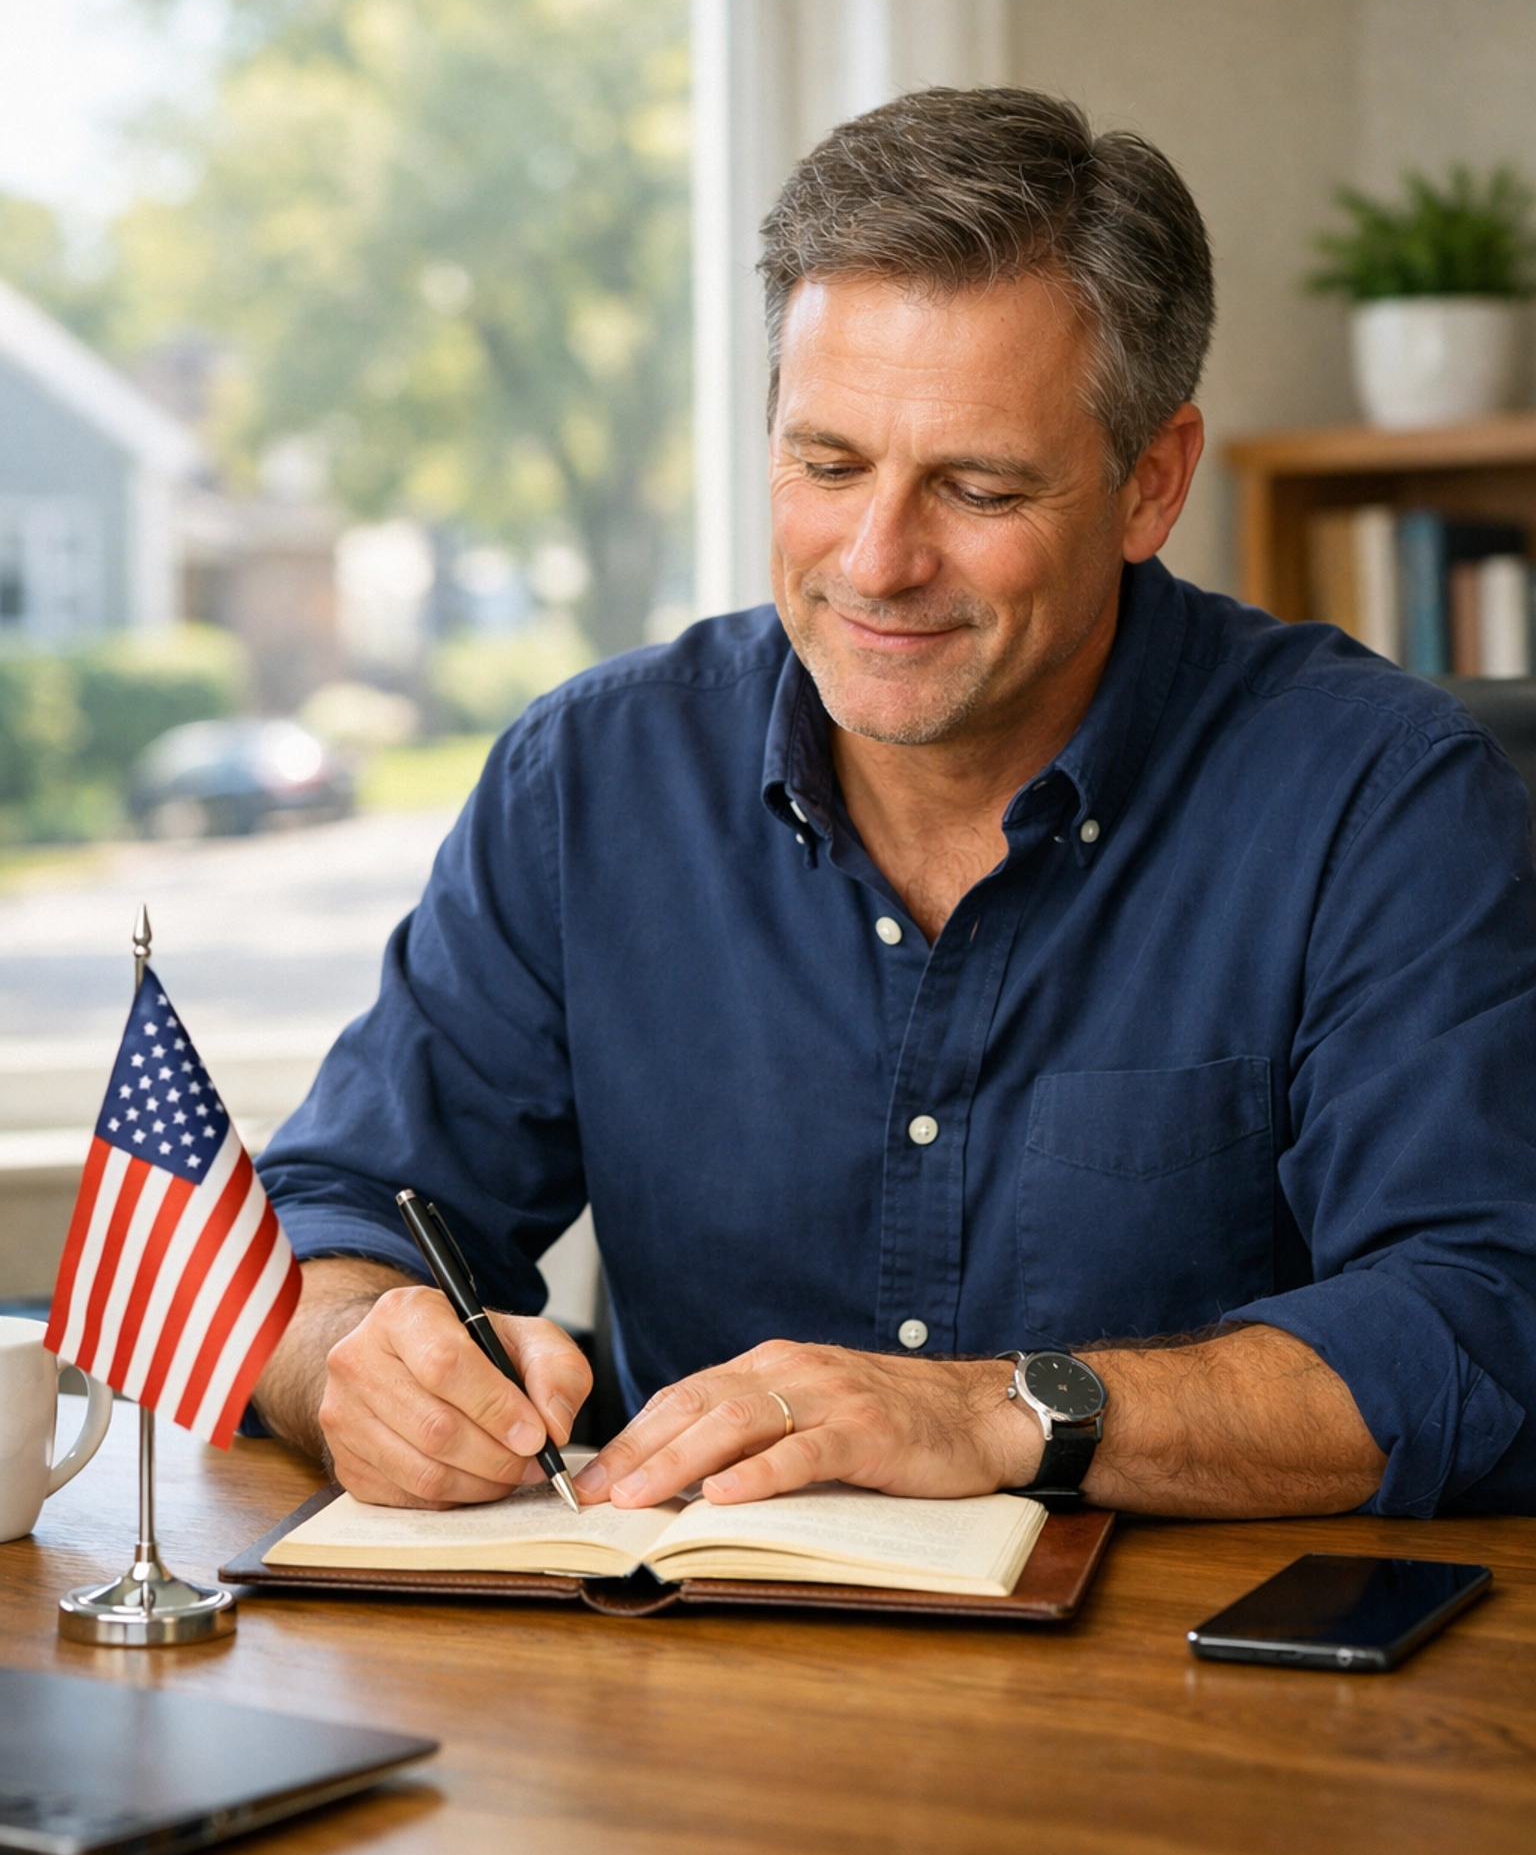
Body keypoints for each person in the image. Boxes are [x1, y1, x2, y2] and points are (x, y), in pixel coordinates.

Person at [253, 87, 1536, 1520]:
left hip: (1190, 1708)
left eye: (976, 488)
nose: (876, 561)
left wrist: (994, 1413)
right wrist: (356, 1356)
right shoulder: (590, 780)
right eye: (828, 463)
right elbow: (337, 1219)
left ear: (1150, 484)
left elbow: (1479, 1327)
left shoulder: (1381, 800)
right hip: (697, 1685)